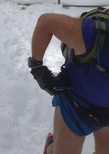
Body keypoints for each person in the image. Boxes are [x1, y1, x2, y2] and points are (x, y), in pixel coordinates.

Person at [28, 12, 109, 154]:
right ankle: (51, 147)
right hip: (75, 108)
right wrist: (37, 68)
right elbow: (46, 22)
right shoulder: (92, 35)